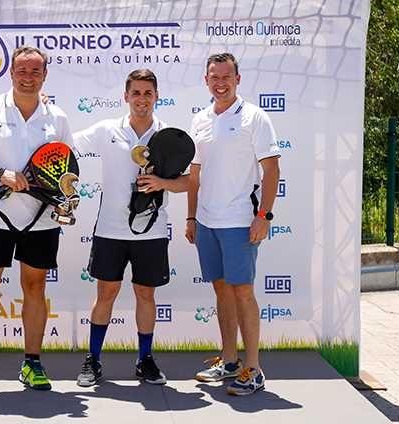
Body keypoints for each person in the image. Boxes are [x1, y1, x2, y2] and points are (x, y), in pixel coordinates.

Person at [0, 45, 75, 399]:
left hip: (42, 221)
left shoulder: (58, 117)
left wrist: (66, 201)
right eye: (22, 70)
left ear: (45, 76)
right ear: (11, 73)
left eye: (36, 71)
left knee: (35, 289)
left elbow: (66, 171)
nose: (28, 77)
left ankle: (32, 362)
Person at [71, 69, 190, 387]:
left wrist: (161, 182)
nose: (141, 98)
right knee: (105, 293)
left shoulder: (169, 135)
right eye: (136, 93)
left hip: (151, 231)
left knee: (145, 294)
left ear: (156, 96)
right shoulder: (106, 129)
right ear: (126, 96)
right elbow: (66, 145)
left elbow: (190, 181)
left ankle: (145, 360)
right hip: (110, 231)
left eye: (147, 93)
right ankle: (93, 360)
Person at [185, 52, 281, 396]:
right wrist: (192, 217)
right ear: (207, 80)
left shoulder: (255, 117)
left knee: (243, 292)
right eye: (214, 76)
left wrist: (263, 215)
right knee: (221, 290)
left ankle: (253, 369)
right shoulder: (199, 120)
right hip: (207, 223)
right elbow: (195, 176)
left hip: (241, 222)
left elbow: (271, 170)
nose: (220, 82)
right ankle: (229, 361)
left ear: (237, 79)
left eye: (226, 76)